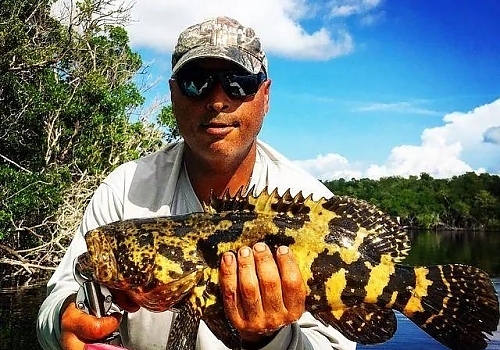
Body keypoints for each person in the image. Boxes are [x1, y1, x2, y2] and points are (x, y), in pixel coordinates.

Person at [37, 16, 356, 350]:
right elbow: (59, 297)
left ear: (265, 95)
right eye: (195, 81)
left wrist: (271, 339)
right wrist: (64, 322)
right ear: (174, 94)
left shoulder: (315, 205)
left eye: (239, 82)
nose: (218, 100)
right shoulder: (124, 189)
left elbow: (336, 345)